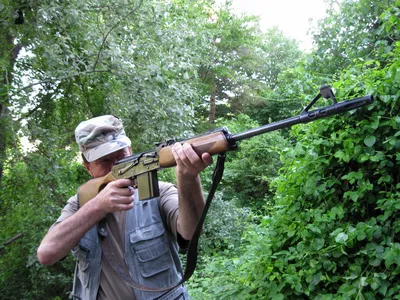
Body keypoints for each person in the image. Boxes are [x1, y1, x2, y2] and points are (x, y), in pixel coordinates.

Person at [37, 115, 213, 300]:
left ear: (130, 150)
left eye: (121, 155)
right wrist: (98, 207)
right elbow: (47, 254)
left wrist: (188, 178)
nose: (116, 166)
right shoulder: (80, 204)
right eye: (105, 160)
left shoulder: (159, 192)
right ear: (88, 168)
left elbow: (191, 232)